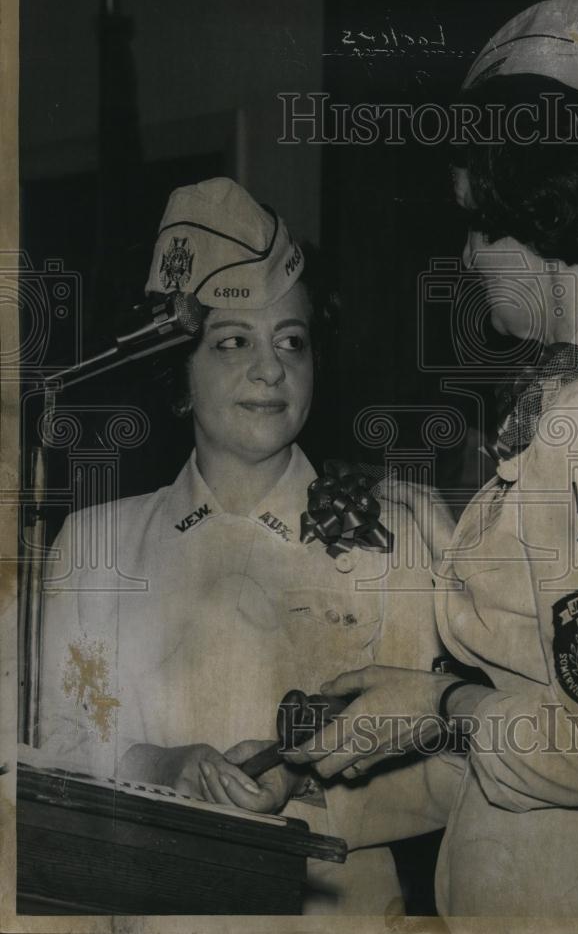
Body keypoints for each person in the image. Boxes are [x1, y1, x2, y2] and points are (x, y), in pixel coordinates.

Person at [285, 0, 578, 919]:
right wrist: (324, 785)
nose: (466, 257)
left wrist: (433, 703)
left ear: (535, 205)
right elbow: (539, 723)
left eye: (476, 223)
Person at [35, 177, 456, 915]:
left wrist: (310, 781)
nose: (271, 369)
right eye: (233, 341)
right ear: (179, 374)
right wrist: (165, 769)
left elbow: (457, 758)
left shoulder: (403, 528)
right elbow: (58, 748)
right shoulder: (98, 542)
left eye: (291, 340)